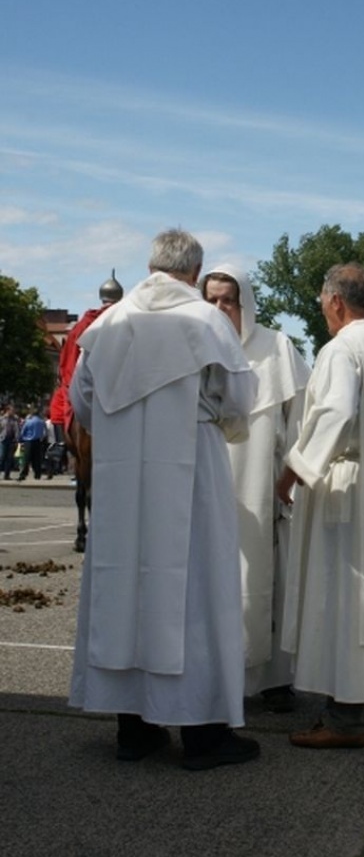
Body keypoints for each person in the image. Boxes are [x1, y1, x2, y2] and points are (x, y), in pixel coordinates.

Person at [69, 229, 260, 770]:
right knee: (195, 589)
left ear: (150, 266)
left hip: (122, 475)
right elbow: (240, 398)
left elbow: (82, 405)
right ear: (194, 274)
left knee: (124, 583)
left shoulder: (106, 327)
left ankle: (135, 727)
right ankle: (203, 734)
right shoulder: (206, 323)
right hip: (191, 470)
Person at [277, 263, 364, 748]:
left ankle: (345, 716)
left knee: (343, 595)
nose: (323, 314)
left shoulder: (342, 350)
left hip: (345, 487)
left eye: (322, 305)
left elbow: (334, 414)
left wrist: (291, 471)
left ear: (336, 301)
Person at [201, 262, 310, 713]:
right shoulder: (195, 345)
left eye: (229, 299)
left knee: (268, 581)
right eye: (212, 300)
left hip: (263, 487)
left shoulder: (276, 349)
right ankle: (216, 674)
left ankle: (273, 681)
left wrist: (292, 476)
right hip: (209, 485)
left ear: (245, 301)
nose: (221, 307)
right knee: (213, 582)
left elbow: (302, 418)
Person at [50, 272, 124, 448]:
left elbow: (68, 360)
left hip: (84, 381)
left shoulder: (83, 324)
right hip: (119, 384)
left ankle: (58, 446)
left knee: (58, 406)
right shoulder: (127, 319)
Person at [17, 408, 46, 481]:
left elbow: (23, 431)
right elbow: (45, 433)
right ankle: (37, 474)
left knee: (26, 459)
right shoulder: (42, 422)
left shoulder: (28, 422)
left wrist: (21, 439)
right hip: (38, 442)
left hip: (28, 441)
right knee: (37, 459)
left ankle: (23, 474)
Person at [0, 404, 19, 480]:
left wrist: (17, 439)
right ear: (7, 410)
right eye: (12, 410)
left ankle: (7, 475)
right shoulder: (1, 419)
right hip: (3, 439)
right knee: (2, 457)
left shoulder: (14, 419)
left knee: (9, 458)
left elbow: (17, 430)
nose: (13, 412)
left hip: (11, 440)